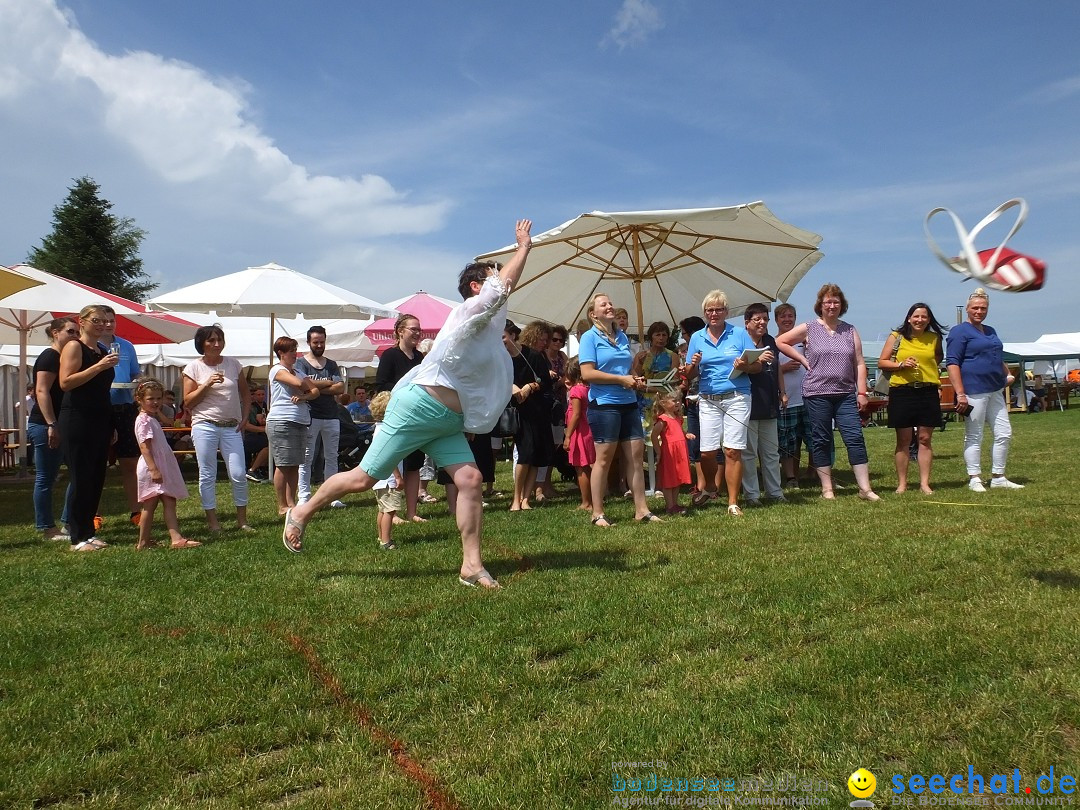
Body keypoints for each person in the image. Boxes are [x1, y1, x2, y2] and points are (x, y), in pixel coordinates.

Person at [283, 219, 535, 590]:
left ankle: (471, 565)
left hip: (448, 420)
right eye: (492, 274)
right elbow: (499, 290)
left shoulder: (488, 327)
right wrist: (523, 248)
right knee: (362, 478)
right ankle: (300, 511)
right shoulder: (469, 312)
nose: (500, 277)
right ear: (476, 287)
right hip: (417, 409)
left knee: (470, 479)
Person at [776, 284, 880, 501]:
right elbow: (781, 341)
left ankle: (865, 488)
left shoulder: (850, 330)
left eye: (836, 302)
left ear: (841, 305)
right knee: (820, 439)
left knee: (854, 437)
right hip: (817, 393)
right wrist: (802, 359)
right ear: (820, 306)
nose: (831, 306)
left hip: (845, 393)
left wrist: (862, 392)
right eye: (827, 302)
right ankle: (827, 489)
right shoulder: (810, 328)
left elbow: (859, 362)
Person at [579, 292, 661, 528]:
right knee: (603, 460)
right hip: (604, 405)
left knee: (635, 458)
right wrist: (620, 379)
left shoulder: (622, 336)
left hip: (628, 403)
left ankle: (641, 509)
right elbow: (587, 374)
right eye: (603, 304)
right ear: (593, 314)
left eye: (610, 303)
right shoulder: (589, 338)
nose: (609, 306)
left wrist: (635, 378)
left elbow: (626, 371)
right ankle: (597, 512)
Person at [683, 290, 763, 517]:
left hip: (737, 396)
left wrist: (745, 366)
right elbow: (688, 375)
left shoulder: (739, 334)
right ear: (705, 313)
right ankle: (709, 486)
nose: (714, 313)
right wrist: (694, 364)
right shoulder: (697, 337)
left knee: (732, 451)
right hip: (708, 399)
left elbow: (756, 367)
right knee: (707, 452)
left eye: (718, 309)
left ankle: (733, 501)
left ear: (726, 312)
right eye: (710, 310)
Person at [946, 288, 1023, 491]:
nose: (979, 311)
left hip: (994, 389)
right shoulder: (959, 332)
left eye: (983, 308)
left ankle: (998, 476)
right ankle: (975, 477)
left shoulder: (990, 331)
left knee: (1004, 433)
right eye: (975, 308)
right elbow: (952, 362)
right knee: (974, 434)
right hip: (973, 390)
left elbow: (996, 355)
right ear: (968, 309)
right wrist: (960, 393)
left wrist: (1006, 373)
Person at [59, 304, 120, 551]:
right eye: (97, 320)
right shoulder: (75, 347)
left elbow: (102, 390)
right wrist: (98, 367)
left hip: (99, 418)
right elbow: (65, 382)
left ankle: (88, 531)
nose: (103, 325)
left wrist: (111, 423)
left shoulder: (102, 350)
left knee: (96, 477)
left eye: (106, 321)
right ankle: (76, 536)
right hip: (77, 417)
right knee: (81, 477)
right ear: (82, 322)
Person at [182, 324, 253, 532]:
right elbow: (188, 402)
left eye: (220, 340)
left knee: (239, 473)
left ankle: (242, 521)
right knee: (207, 474)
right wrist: (206, 384)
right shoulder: (193, 368)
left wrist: (246, 416)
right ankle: (213, 522)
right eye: (211, 340)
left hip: (232, 426)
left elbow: (246, 394)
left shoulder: (233, 364)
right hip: (205, 425)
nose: (216, 344)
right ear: (201, 343)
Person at [878, 302, 947, 494]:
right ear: (909, 318)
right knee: (904, 440)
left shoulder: (934, 338)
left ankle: (924, 483)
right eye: (916, 316)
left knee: (925, 438)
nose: (920, 320)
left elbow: (937, 359)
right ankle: (902, 484)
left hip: (928, 391)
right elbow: (882, 362)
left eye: (924, 317)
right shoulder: (896, 337)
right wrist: (900, 364)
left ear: (929, 320)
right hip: (902, 391)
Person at [132, 378, 200, 550]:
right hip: (153, 467)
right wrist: (154, 469)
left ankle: (175, 538)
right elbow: (144, 447)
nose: (155, 402)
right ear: (140, 400)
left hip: (162, 465)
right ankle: (143, 541)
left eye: (158, 398)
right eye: (150, 399)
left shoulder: (152, 418)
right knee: (150, 505)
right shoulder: (144, 421)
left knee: (169, 500)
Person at [27, 316, 78, 540]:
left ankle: (68, 522)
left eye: (77, 332)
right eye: (70, 332)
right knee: (46, 478)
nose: (75, 336)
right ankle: (47, 528)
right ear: (55, 332)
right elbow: (41, 391)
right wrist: (51, 424)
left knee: (76, 473)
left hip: (61, 423)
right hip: (44, 424)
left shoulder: (66, 358)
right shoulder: (50, 356)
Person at [375, 312, 426, 522]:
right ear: (400, 331)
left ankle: (412, 512)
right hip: (396, 416)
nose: (417, 332)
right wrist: (405, 390)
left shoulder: (420, 358)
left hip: (417, 418)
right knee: (394, 463)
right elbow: (381, 386)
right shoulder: (389, 356)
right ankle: (392, 513)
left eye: (418, 329)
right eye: (413, 329)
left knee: (414, 465)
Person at [266, 336, 320, 516]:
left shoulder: (297, 371)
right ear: (281, 353)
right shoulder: (277, 370)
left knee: (295, 464)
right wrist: (309, 386)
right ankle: (282, 505)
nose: (295, 354)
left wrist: (304, 396)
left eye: (295, 350)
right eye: (291, 351)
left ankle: (291, 502)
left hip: (300, 421)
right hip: (282, 421)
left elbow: (315, 392)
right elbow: (299, 384)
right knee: (283, 464)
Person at [740, 304, 786, 506]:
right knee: (748, 453)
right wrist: (757, 358)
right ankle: (751, 495)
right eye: (757, 319)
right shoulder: (740, 341)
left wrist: (782, 392)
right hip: (747, 402)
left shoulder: (770, 341)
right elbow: (738, 368)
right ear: (747, 323)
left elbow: (777, 369)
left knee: (771, 452)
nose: (762, 323)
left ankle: (775, 492)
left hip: (769, 401)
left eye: (765, 319)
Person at [99, 311, 143, 526]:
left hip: (125, 407)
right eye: (102, 320)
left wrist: (139, 381)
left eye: (111, 321)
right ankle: (93, 513)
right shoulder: (87, 347)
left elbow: (135, 373)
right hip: (99, 408)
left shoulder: (126, 346)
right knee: (96, 463)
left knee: (130, 462)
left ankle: (136, 512)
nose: (107, 325)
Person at [296, 326, 347, 509]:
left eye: (322, 342)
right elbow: (302, 386)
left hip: (332, 416)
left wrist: (315, 388)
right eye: (315, 342)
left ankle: (331, 496)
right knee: (307, 456)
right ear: (309, 342)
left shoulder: (331, 364)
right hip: (310, 415)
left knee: (332, 456)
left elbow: (340, 388)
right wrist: (326, 383)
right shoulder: (301, 364)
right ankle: (304, 496)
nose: (319, 345)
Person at [507, 320, 555, 511]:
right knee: (524, 454)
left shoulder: (533, 355)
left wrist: (530, 386)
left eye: (503, 336)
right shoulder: (500, 358)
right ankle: (516, 498)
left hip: (538, 411)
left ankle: (526, 499)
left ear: (512, 335)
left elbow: (545, 381)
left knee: (535, 455)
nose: (501, 341)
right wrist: (510, 387)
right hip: (518, 413)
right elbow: (496, 379)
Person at [774, 303, 821, 489]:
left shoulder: (804, 341)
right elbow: (769, 371)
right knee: (788, 442)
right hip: (786, 400)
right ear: (776, 320)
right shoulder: (773, 342)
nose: (787, 319)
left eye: (790, 316)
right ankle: (791, 477)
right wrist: (783, 369)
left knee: (814, 438)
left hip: (808, 397)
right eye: (783, 316)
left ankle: (815, 471)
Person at [678, 315, 709, 496]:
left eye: (684, 334)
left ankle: (713, 485)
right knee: (696, 443)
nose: (683, 337)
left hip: (706, 398)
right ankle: (700, 484)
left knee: (710, 444)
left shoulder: (705, 347)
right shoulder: (689, 351)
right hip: (691, 399)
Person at [367, 392, 402, 551]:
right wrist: (398, 476)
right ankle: (386, 541)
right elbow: (389, 456)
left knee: (382, 508)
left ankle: (381, 536)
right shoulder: (388, 431)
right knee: (389, 510)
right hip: (389, 478)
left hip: (379, 479)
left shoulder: (378, 429)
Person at [650, 391, 692, 515]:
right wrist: (658, 452)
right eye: (674, 401)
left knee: (677, 478)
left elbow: (678, 431)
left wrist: (686, 435)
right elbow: (654, 436)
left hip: (679, 452)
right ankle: (670, 506)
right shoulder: (663, 420)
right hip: (669, 453)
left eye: (679, 400)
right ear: (663, 403)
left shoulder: (677, 418)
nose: (678, 403)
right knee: (669, 480)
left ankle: (674, 503)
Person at [562, 358, 595, 511]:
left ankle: (586, 502)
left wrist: (568, 435)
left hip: (579, 432)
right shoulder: (589, 388)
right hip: (589, 430)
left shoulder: (576, 390)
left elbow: (575, 415)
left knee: (580, 468)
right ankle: (593, 499)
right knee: (588, 467)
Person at [244, 386, 270, 481]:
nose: (261, 396)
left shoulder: (263, 405)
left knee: (270, 443)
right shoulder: (248, 407)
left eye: (263, 394)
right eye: (258, 394)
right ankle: (253, 469)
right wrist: (264, 429)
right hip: (246, 436)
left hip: (255, 435)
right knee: (269, 445)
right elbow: (247, 426)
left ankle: (258, 468)